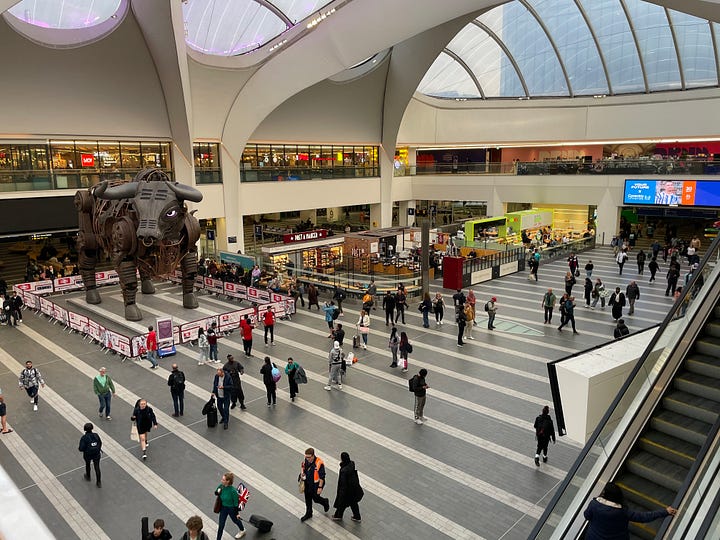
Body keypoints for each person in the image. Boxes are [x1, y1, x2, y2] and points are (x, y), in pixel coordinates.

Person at [583, 482, 677, 540]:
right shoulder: (622, 512)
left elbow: (587, 516)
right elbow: (643, 517)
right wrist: (665, 511)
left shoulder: (594, 504)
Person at [299, 448, 330, 522]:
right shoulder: (306, 460)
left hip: (316, 484)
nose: (307, 459)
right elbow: (304, 468)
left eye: (309, 457)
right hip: (308, 482)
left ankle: (325, 502)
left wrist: (320, 487)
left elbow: (322, 477)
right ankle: (309, 513)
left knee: (315, 498)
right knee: (308, 498)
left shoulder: (319, 463)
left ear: (313, 456)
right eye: (306, 457)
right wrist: (302, 474)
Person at [331, 452, 364, 523]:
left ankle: (338, 516)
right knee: (353, 503)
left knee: (342, 503)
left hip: (347, 491)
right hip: (354, 489)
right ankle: (357, 517)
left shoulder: (343, 471)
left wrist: (341, 495)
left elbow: (343, 484)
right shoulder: (352, 463)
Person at [214, 472, 246, 539]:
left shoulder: (233, 491)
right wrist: (217, 492)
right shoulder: (221, 486)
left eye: (223, 480)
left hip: (231, 509)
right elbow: (216, 493)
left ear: (228, 481)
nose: (221, 480)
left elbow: (235, 503)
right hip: (223, 508)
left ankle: (242, 530)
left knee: (235, 520)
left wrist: (237, 513)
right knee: (221, 525)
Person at [78, 422, 102, 487]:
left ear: (85, 429)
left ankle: (88, 476)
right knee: (97, 467)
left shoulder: (84, 437)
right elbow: (100, 443)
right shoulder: (96, 435)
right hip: (96, 454)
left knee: (88, 464)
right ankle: (98, 482)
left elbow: (81, 448)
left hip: (88, 455)